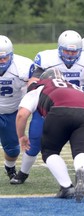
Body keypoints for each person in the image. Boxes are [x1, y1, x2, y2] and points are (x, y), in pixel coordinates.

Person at [10, 30, 84, 185]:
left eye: (74, 51)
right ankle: (23, 172)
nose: (70, 54)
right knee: (36, 140)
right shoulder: (47, 60)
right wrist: (38, 92)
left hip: (68, 103)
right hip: (57, 105)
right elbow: (33, 81)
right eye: (67, 50)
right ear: (59, 49)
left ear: (80, 51)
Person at [15, 68, 84, 202]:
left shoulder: (39, 87)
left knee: (50, 151)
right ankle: (81, 170)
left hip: (60, 109)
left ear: (43, 79)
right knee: (82, 150)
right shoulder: (75, 86)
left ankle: (66, 187)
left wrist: (21, 136)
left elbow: (22, 114)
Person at [0, 35, 34, 181]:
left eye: (4, 58)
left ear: (11, 56)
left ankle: (10, 166)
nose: (1, 62)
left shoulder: (23, 67)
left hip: (11, 112)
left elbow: (34, 89)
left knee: (13, 151)